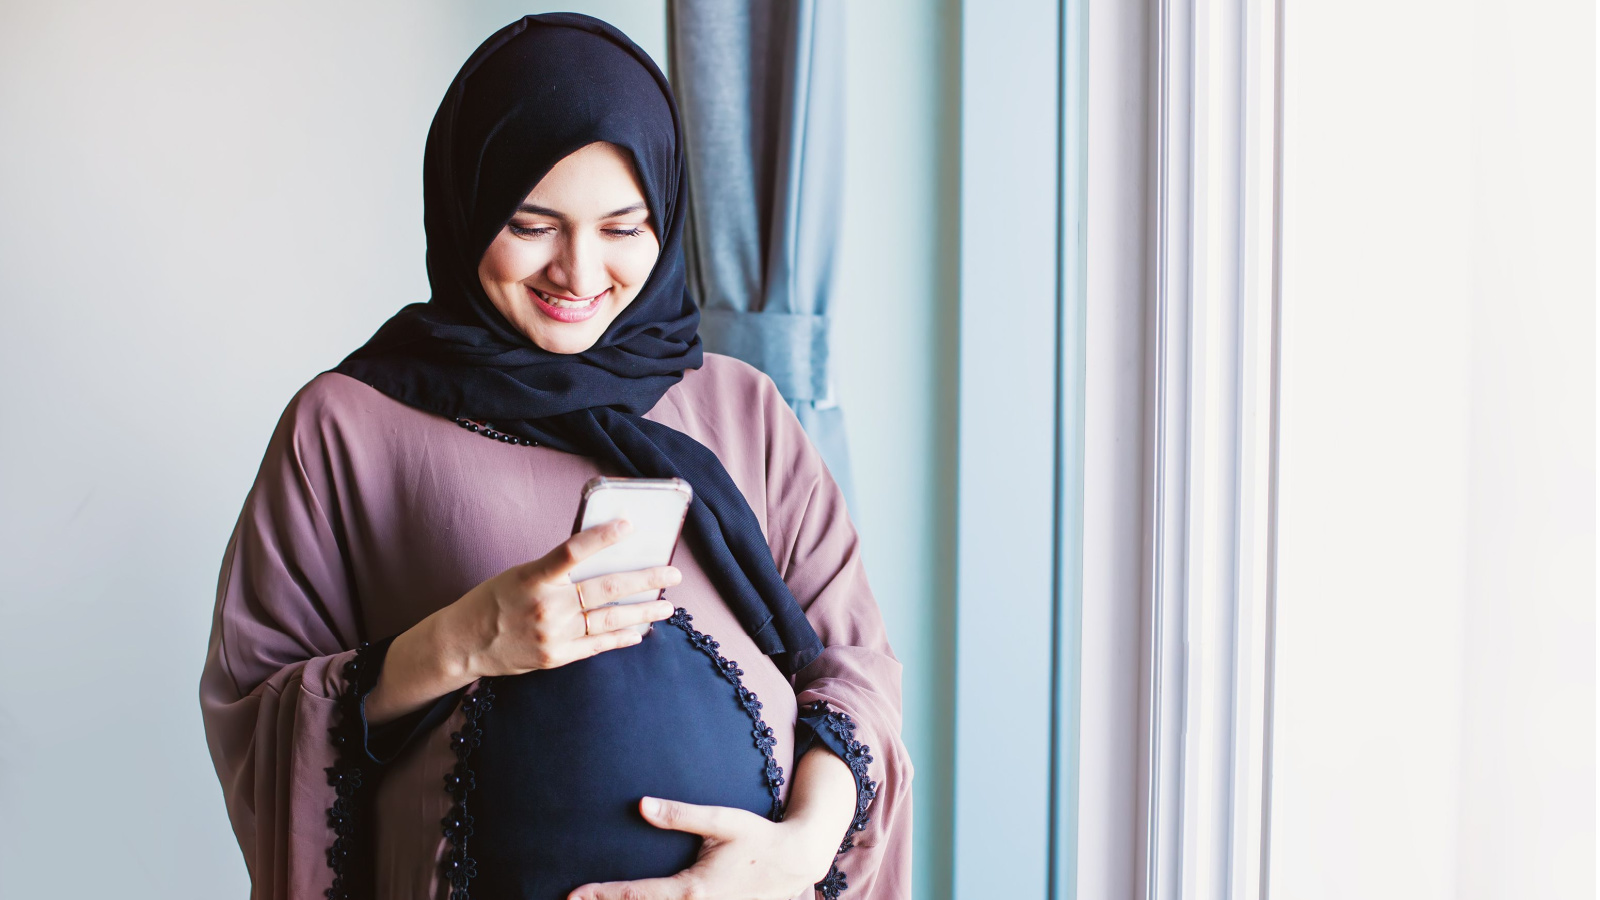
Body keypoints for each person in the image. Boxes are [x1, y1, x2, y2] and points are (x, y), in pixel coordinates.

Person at [198, 13, 910, 900]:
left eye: (624, 227)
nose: (580, 272)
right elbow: (256, 719)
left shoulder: (745, 409)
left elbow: (857, 672)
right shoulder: (345, 428)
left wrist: (800, 847)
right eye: (533, 225)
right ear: (467, 206)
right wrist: (463, 641)